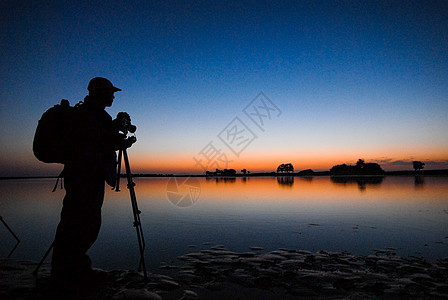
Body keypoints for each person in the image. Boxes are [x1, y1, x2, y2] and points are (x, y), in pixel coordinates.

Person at [51, 77, 126, 282]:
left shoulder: (95, 114)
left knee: (78, 221)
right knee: (83, 222)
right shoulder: (87, 114)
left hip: (86, 175)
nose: (113, 96)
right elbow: (94, 144)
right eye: (110, 92)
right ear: (100, 92)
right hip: (85, 176)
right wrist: (117, 141)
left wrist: (116, 135)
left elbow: (98, 141)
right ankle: (69, 272)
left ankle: (69, 268)